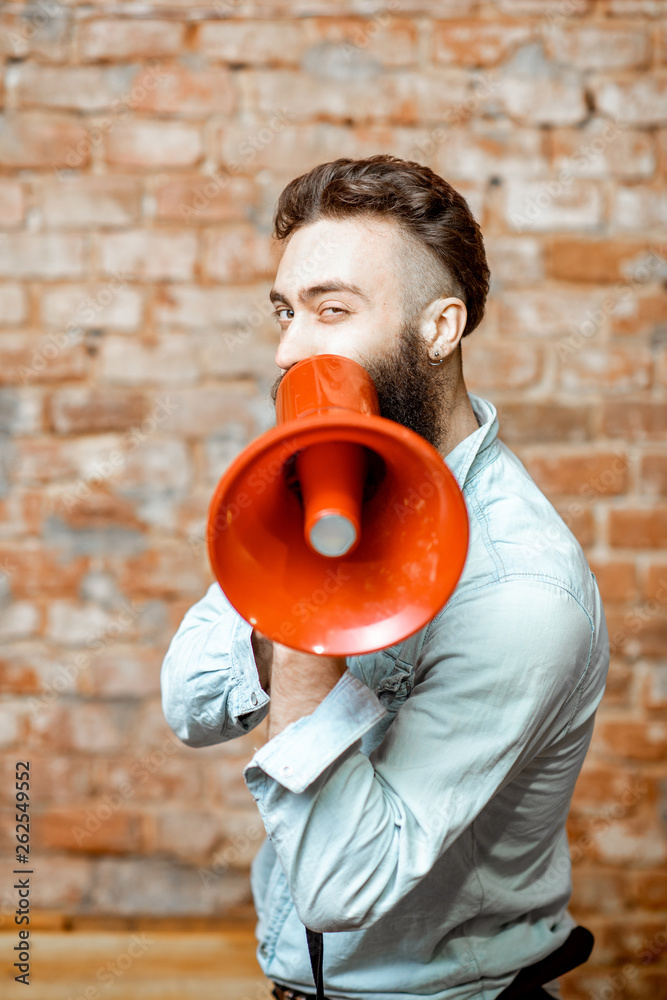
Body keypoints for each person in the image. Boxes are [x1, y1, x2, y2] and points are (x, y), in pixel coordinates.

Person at [160, 155, 609, 1000]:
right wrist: (292, 558)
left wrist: (301, 627)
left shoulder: (520, 590)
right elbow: (189, 706)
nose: (292, 348)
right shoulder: (315, 481)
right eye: (284, 312)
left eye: (333, 310)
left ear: (440, 329)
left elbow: (343, 890)